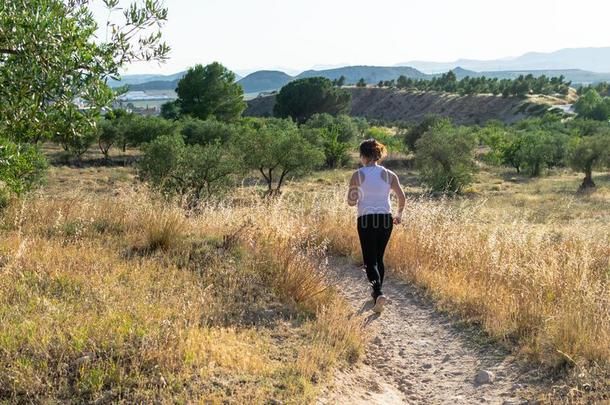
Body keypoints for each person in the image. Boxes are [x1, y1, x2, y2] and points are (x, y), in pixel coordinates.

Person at [347, 139, 406, 313]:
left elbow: (351, 202)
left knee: (369, 260)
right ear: (378, 155)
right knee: (379, 258)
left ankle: (378, 293)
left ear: (363, 155)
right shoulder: (390, 174)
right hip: (385, 219)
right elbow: (401, 197)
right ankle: (376, 294)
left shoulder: (357, 175)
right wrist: (399, 214)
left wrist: (357, 196)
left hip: (366, 219)